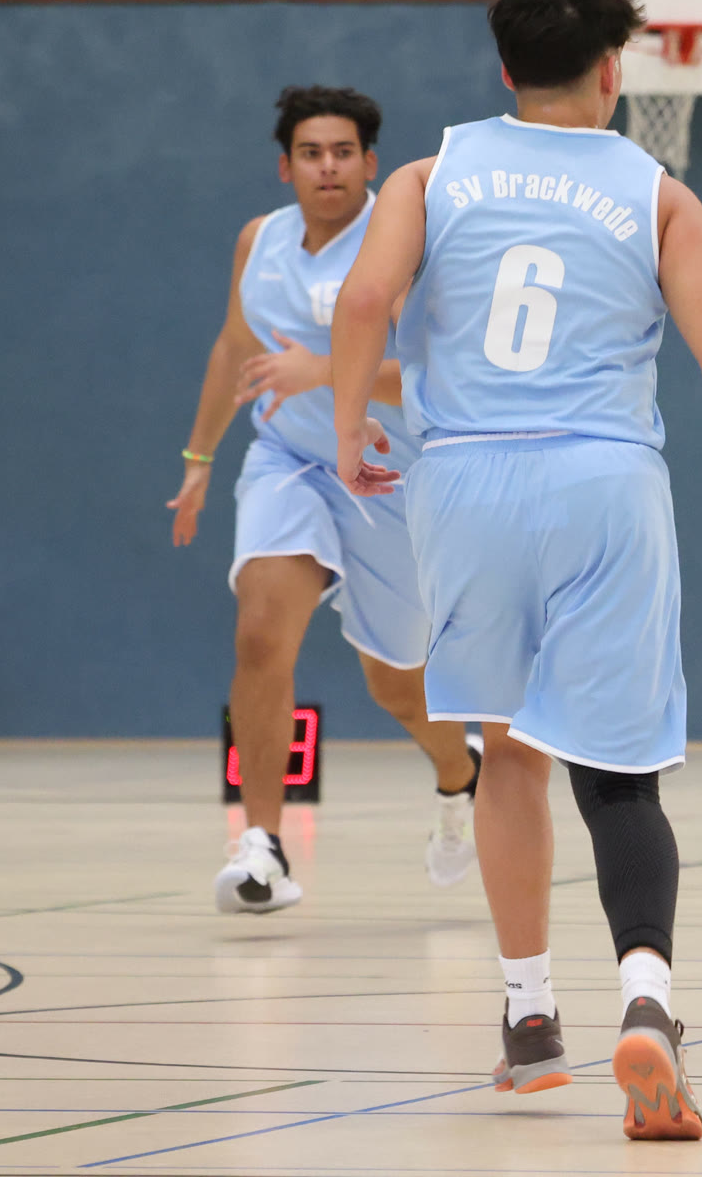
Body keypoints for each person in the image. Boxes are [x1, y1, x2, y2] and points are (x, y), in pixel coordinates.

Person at [330, 0, 702, 1142]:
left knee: (506, 750)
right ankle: (644, 997)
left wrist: (346, 429)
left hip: (464, 482)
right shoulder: (657, 193)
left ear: (504, 70)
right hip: (600, 483)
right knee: (620, 770)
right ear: (611, 69)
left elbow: (363, 299)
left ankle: (530, 1013)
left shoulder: (428, 175)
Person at [168, 86, 481, 915]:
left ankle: (460, 775)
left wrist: (324, 371)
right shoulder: (259, 242)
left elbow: (435, 377)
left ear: (370, 163)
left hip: (387, 480)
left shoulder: (400, 243)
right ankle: (262, 846)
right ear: (286, 167)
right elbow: (234, 348)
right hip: (289, 462)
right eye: (311, 153)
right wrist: (199, 459)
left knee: (397, 685)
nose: (328, 167)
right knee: (260, 631)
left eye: (344, 152)